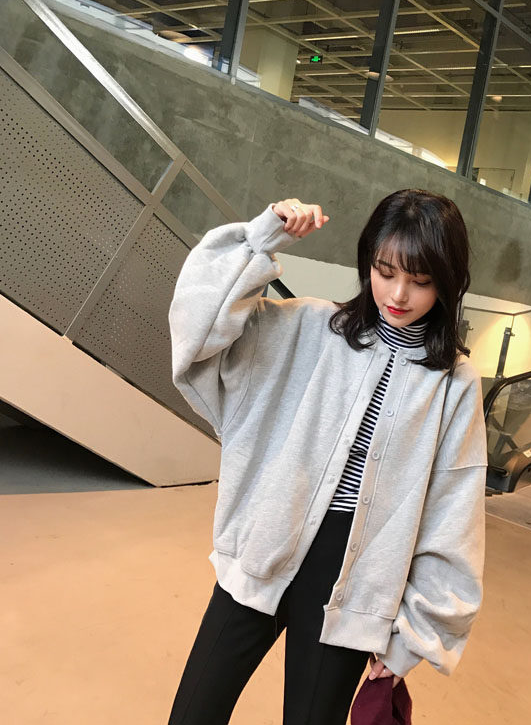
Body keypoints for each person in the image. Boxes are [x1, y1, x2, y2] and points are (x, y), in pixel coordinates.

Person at [167, 190, 487, 725]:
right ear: (367, 262)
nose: (398, 294)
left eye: (421, 280)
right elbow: (199, 330)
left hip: (358, 579)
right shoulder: (309, 327)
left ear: (448, 282)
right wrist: (261, 239)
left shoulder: (455, 384)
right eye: (385, 271)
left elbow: (453, 513)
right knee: (193, 712)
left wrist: (415, 636)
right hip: (267, 541)